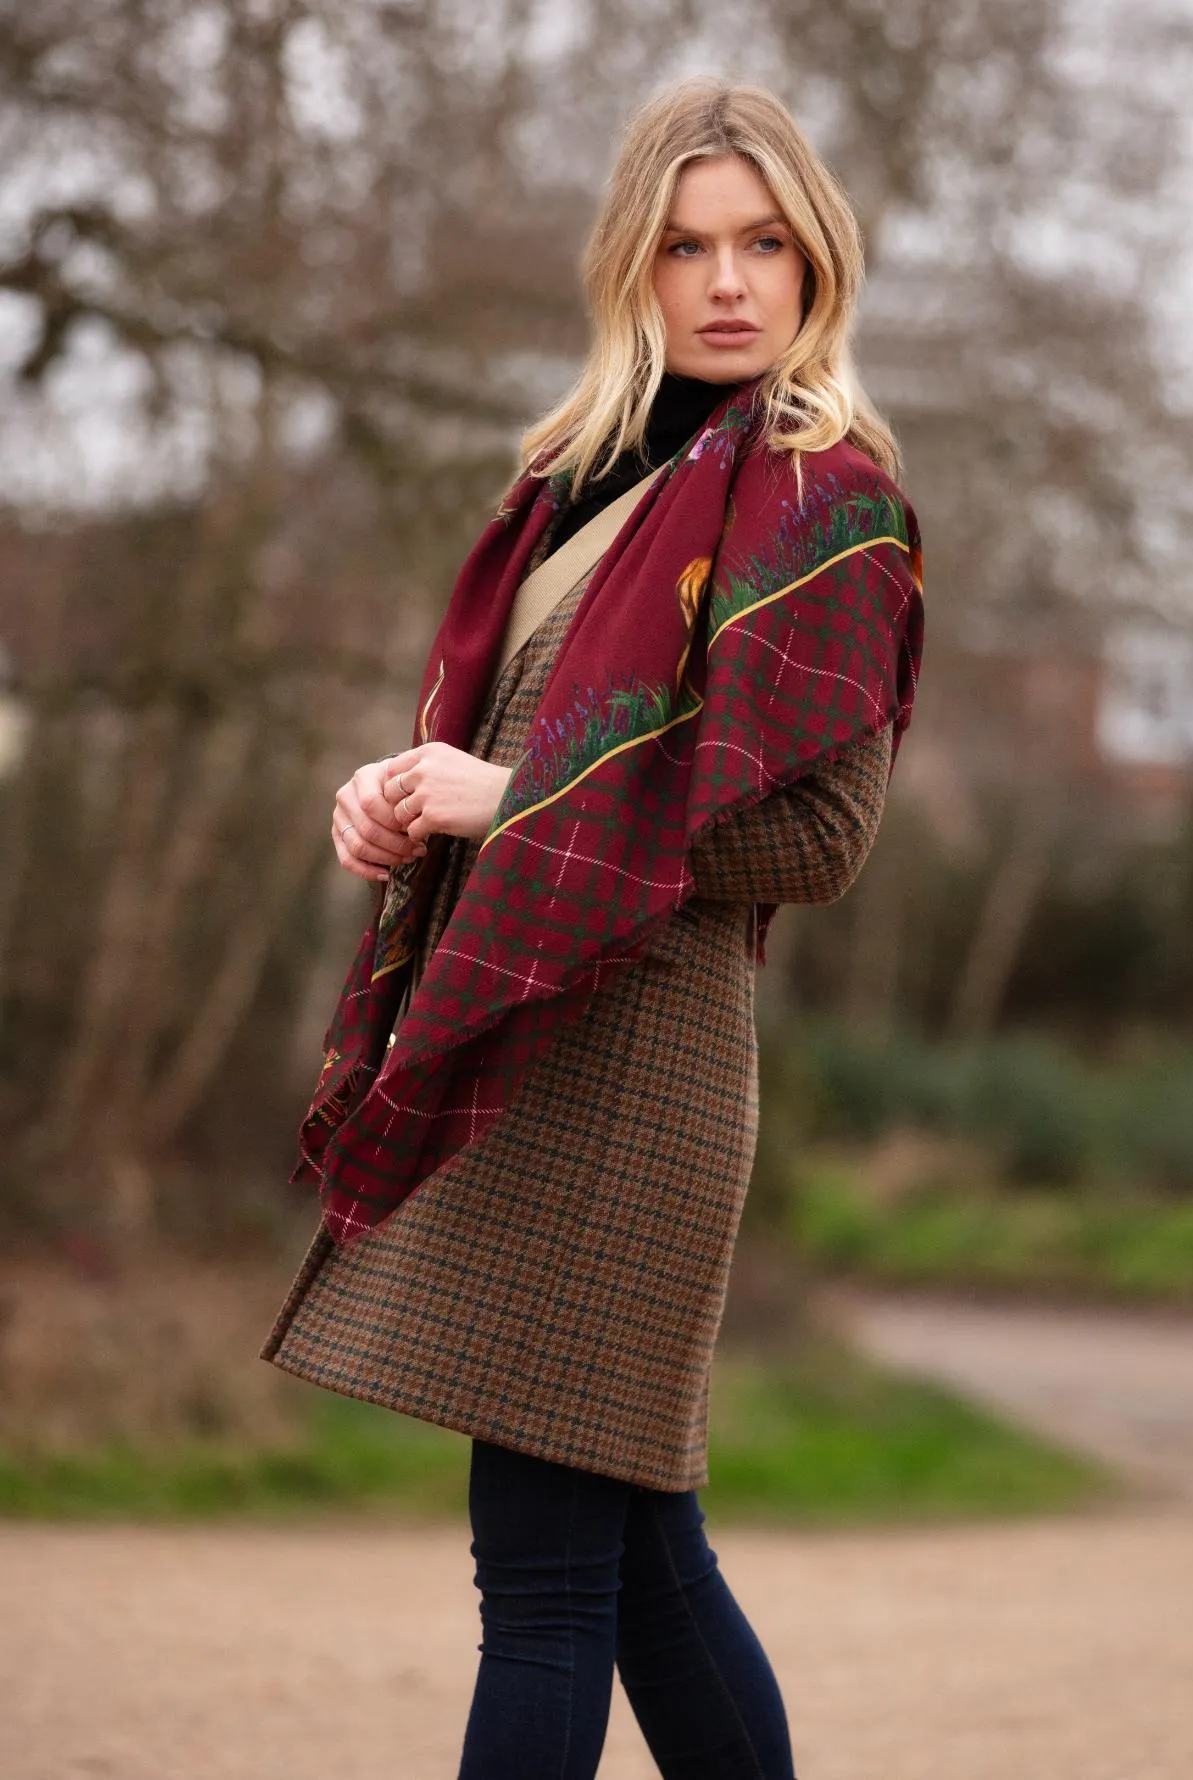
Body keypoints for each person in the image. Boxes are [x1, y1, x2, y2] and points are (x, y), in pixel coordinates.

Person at [263, 76, 923, 1780]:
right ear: (631, 264)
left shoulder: (822, 499)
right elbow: (519, 754)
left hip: (638, 1071)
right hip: (525, 1027)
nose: (727, 280)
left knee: (546, 1582)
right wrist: (403, 797)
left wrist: (515, 806)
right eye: (688, 244)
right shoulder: (570, 486)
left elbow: (823, 840)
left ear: (815, 263)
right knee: (632, 1566)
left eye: (764, 244)